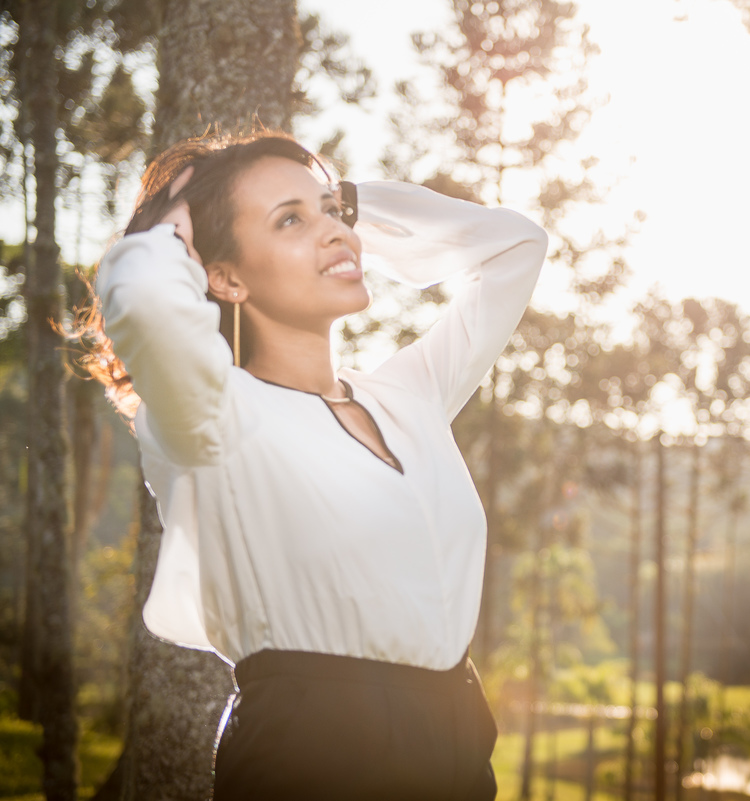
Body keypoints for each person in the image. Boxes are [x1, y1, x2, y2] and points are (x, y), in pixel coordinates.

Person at [83, 131, 548, 799]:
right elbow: (144, 298)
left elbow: (515, 246)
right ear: (225, 276)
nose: (335, 232)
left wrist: (356, 203)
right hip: (310, 750)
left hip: (459, 744)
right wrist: (173, 226)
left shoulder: (407, 395)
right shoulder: (211, 414)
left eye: (332, 212)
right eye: (290, 220)